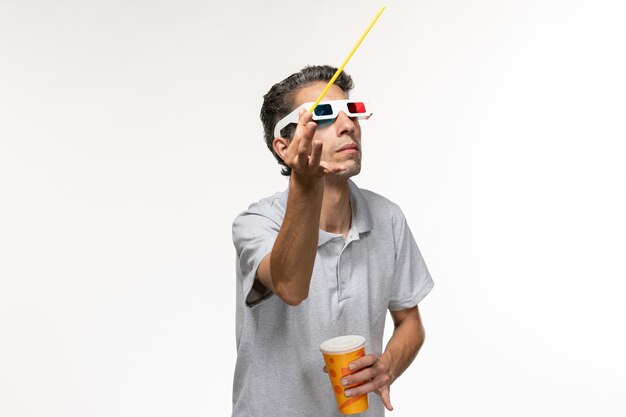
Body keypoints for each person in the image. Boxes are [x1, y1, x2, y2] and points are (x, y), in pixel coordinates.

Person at [231, 65, 434, 417]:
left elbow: (410, 322)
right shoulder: (256, 224)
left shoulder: (388, 218)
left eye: (351, 112)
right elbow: (291, 286)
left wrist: (388, 366)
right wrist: (304, 183)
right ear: (284, 145)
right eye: (324, 114)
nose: (347, 126)